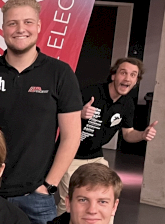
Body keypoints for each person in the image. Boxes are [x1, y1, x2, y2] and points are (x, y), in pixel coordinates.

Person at [0, 0, 82, 224]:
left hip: (37, 199)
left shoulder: (60, 73)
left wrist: (49, 186)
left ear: (39, 26)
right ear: (3, 28)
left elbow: (71, 136)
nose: (20, 29)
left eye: (28, 22)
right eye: (12, 23)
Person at [58, 56, 158, 214]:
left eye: (133, 75)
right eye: (123, 73)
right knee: (70, 203)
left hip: (96, 157)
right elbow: (59, 115)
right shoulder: (91, 93)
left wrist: (142, 135)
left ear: (136, 81)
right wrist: (79, 113)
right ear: (113, 75)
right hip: (70, 156)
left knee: (106, 201)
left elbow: (128, 133)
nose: (127, 78)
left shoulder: (127, 104)